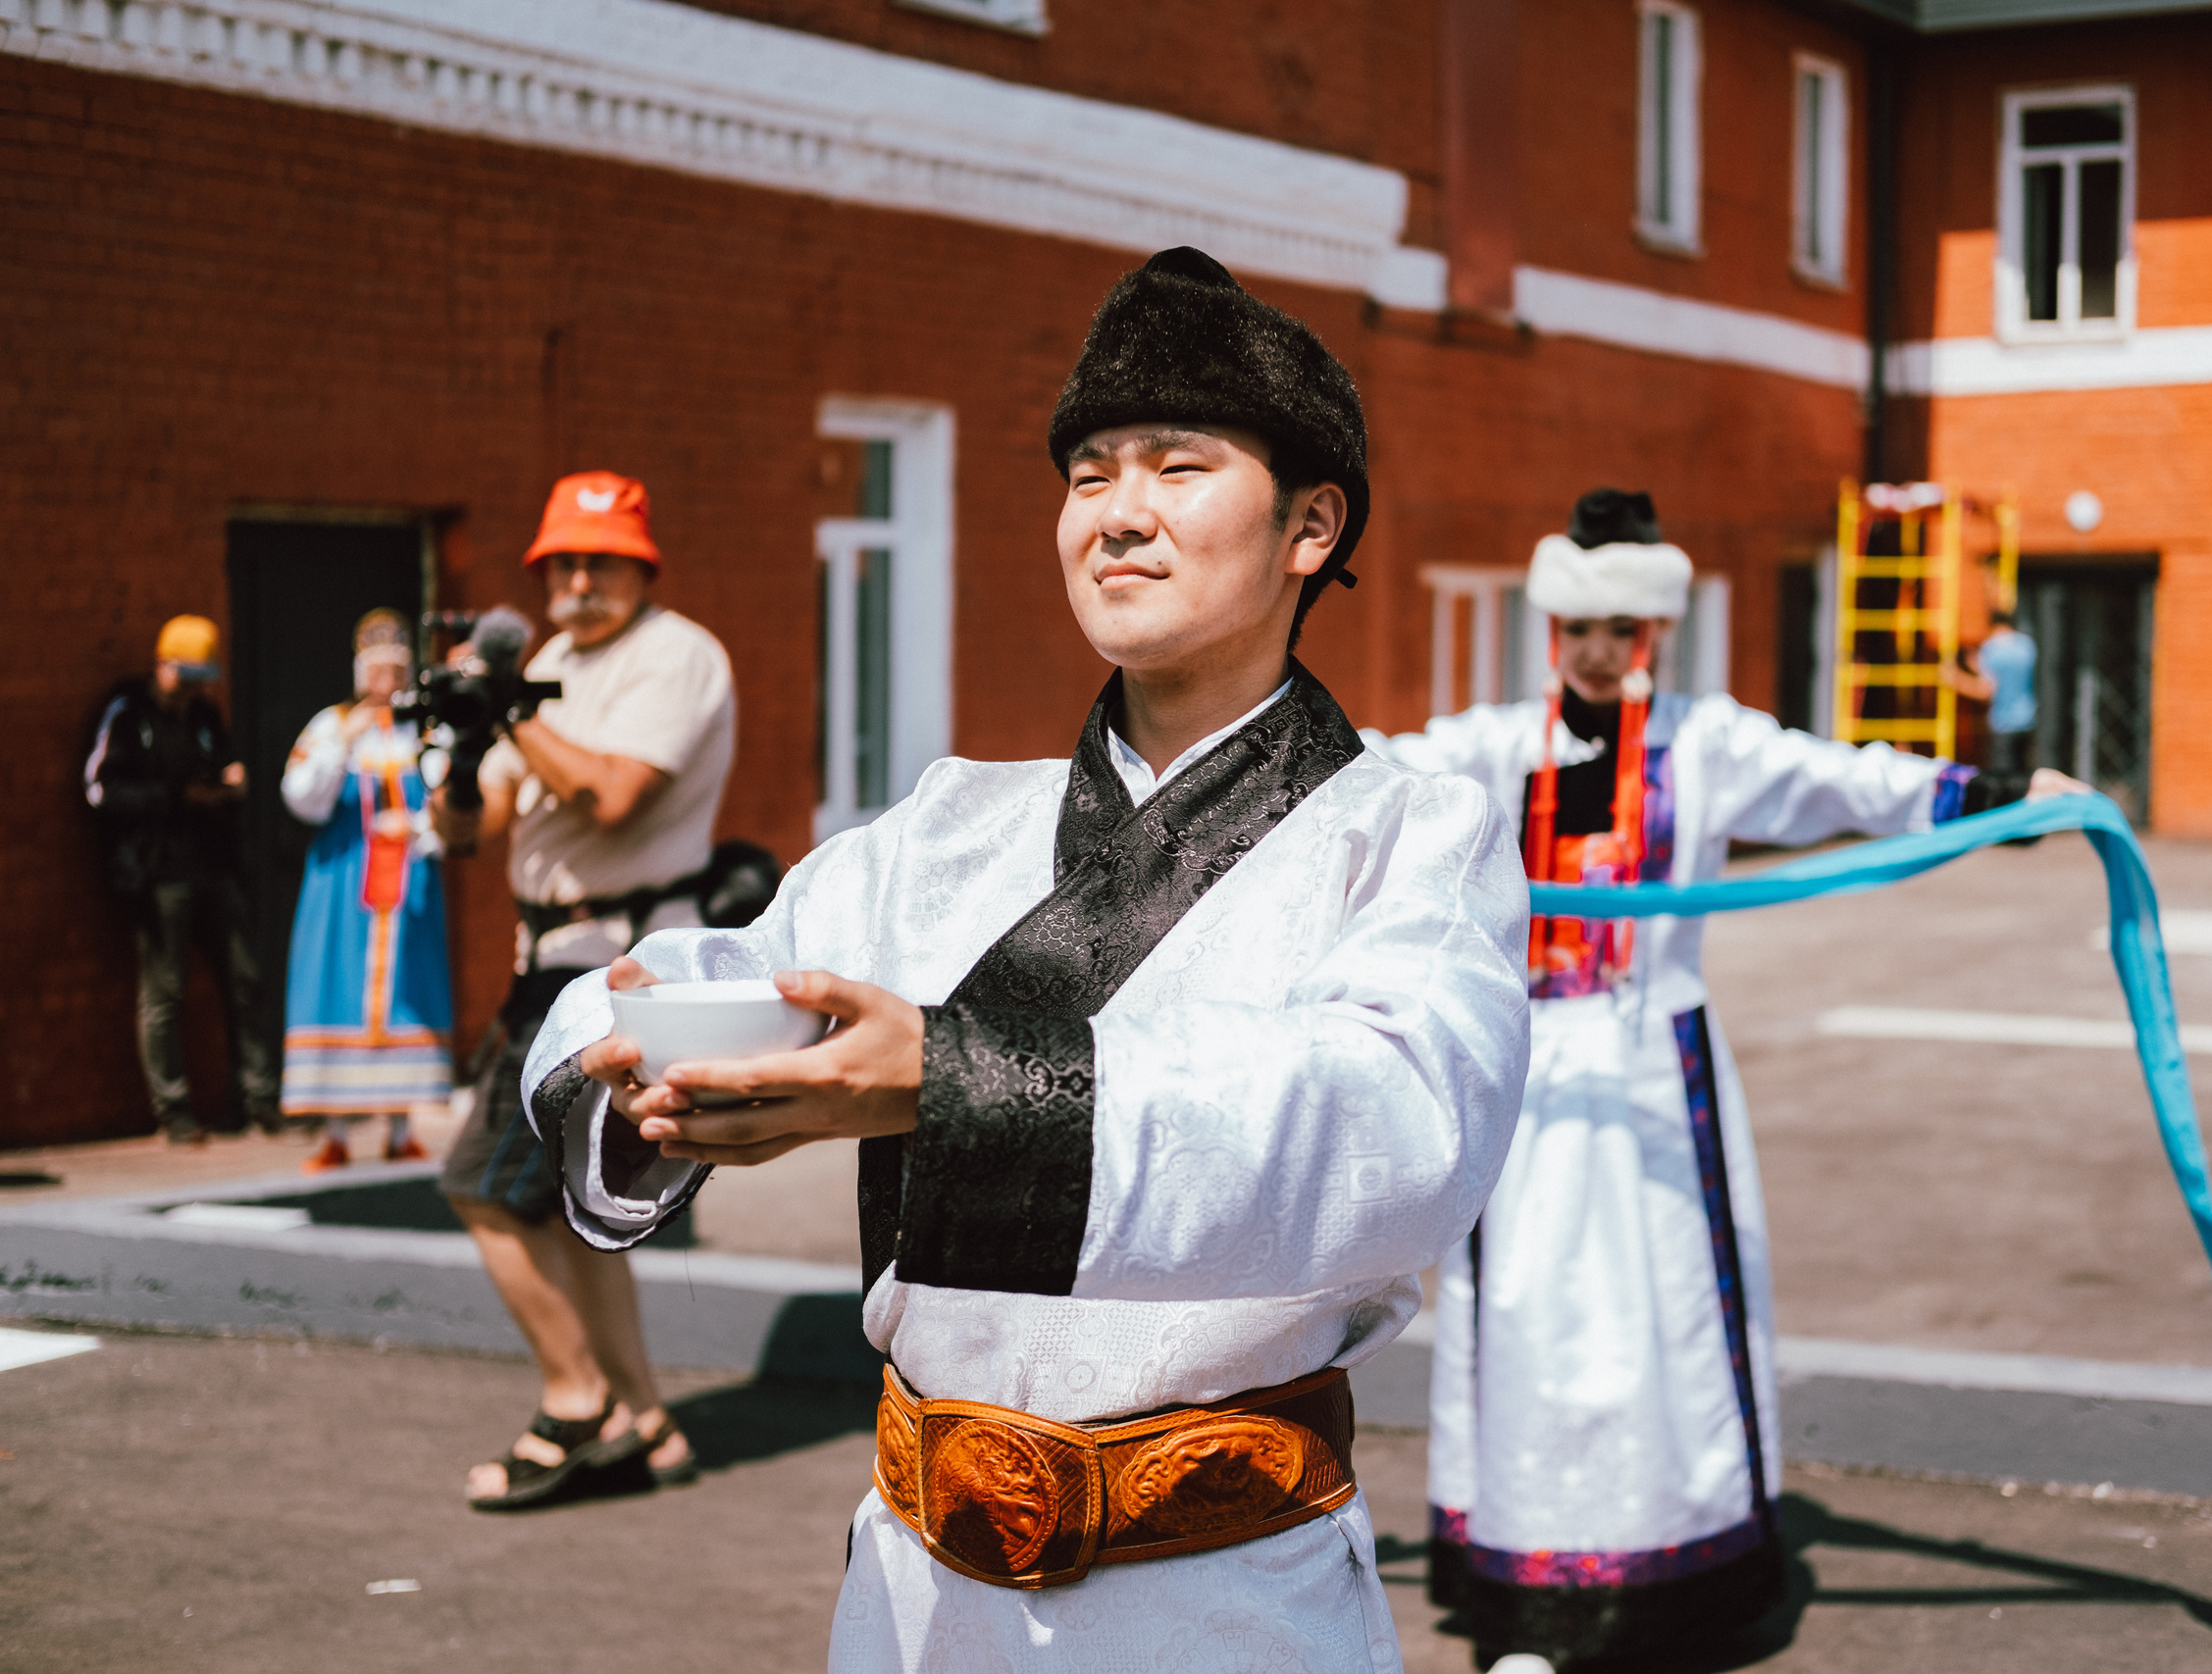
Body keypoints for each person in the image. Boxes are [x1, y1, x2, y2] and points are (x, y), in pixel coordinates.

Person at [518, 248, 1530, 1668]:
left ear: (1313, 524)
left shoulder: (1410, 833)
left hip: (1227, 1604)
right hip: (918, 1594)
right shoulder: (949, 826)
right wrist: (642, 1059)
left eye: (1177, 467)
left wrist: (952, 1077)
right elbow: (684, 970)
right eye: (1087, 474)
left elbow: (1395, 1132)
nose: (1116, 516)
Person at [1365, 489, 2087, 1672]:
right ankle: (1532, 1594)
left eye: (1622, 634)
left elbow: (1846, 784)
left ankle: (1670, 1579)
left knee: (1668, 1327)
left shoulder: (1708, 745)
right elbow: (1368, 780)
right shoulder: (1494, 750)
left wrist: (2001, 800)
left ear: (1653, 635)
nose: (1598, 655)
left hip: (1657, 1082)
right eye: (1577, 632)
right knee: (1528, 1321)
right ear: (1552, 632)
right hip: (1533, 1089)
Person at [431, 471, 734, 1508]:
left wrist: (510, 711)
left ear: (641, 565)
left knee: (480, 1187)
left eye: (599, 558)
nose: (576, 578)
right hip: (548, 966)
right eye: (560, 560)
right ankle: (646, 1425)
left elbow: (609, 797)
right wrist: (464, 749)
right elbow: (470, 834)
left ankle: (575, 1407)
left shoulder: (677, 656)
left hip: (621, 968)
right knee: (572, 1208)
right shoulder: (554, 662)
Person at [82, 614, 281, 1145]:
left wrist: (226, 784)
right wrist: (176, 797)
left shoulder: (204, 714)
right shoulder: (127, 714)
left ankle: (258, 1099)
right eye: (185, 676)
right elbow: (100, 791)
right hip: (159, 871)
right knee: (164, 991)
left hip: (213, 865)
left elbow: (228, 766)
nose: (192, 688)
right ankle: (174, 1111)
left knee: (245, 979)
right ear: (163, 664)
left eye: (200, 678)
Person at [277, 609, 454, 1172]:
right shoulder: (332, 725)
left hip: (408, 886)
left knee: (407, 993)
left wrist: (421, 831)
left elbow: (453, 803)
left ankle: (401, 1130)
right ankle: (334, 1133)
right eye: (376, 669)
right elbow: (301, 796)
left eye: (395, 669)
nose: (386, 680)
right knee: (336, 986)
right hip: (344, 882)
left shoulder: (426, 731)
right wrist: (343, 741)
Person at [1952, 607, 2040, 789]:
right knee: (2024, 776)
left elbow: (1986, 690)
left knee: (2004, 781)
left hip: (2003, 723)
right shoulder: (2027, 645)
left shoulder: (1991, 649)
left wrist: (1956, 679)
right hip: (2027, 720)